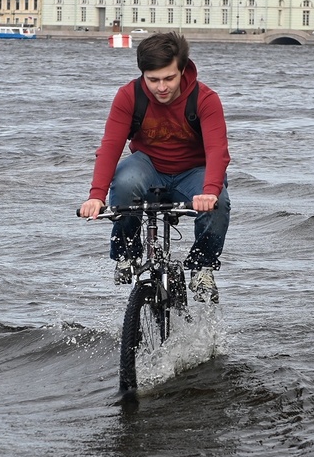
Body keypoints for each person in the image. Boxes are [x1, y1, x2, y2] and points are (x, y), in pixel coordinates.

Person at [78, 33, 231, 304]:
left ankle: (202, 266)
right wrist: (96, 195)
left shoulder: (206, 99)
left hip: (194, 171)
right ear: (143, 75)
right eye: (153, 80)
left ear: (182, 70)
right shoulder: (128, 96)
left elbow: (217, 151)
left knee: (220, 202)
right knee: (125, 181)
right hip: (148, 166)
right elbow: (110, 147)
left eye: (169, 78)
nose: (161, 87)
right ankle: (127, 254)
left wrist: (209, 192)